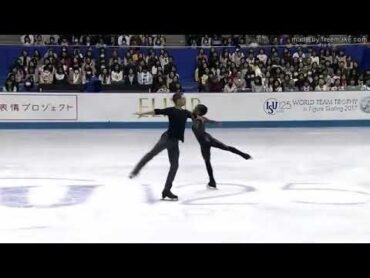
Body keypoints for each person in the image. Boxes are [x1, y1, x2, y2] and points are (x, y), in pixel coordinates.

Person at [129, 93, 194, 201]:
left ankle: (166, 190)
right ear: (177, 100)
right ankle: (136, 170)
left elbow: (196, 116)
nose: (185, 100)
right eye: (183, 99)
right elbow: (157, 111)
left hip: (174, 142)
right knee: (152, 153)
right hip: (166, 139)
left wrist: (206, 120)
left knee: (174, 166)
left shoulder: (186, 112)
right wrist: (143, 113)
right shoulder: (171, 110)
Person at [191, 104, 251, 189]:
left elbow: (197, 126)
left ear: (199, 111)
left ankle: (212, 181)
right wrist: (216, 123)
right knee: (226, 147)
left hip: (204, 142)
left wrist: (197, 124)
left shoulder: (198, 120)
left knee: (207, 162)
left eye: (196, 108)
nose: (194, 108)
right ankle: (244, 155)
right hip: (209, 137)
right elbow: (208, 121)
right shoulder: (200, 118)